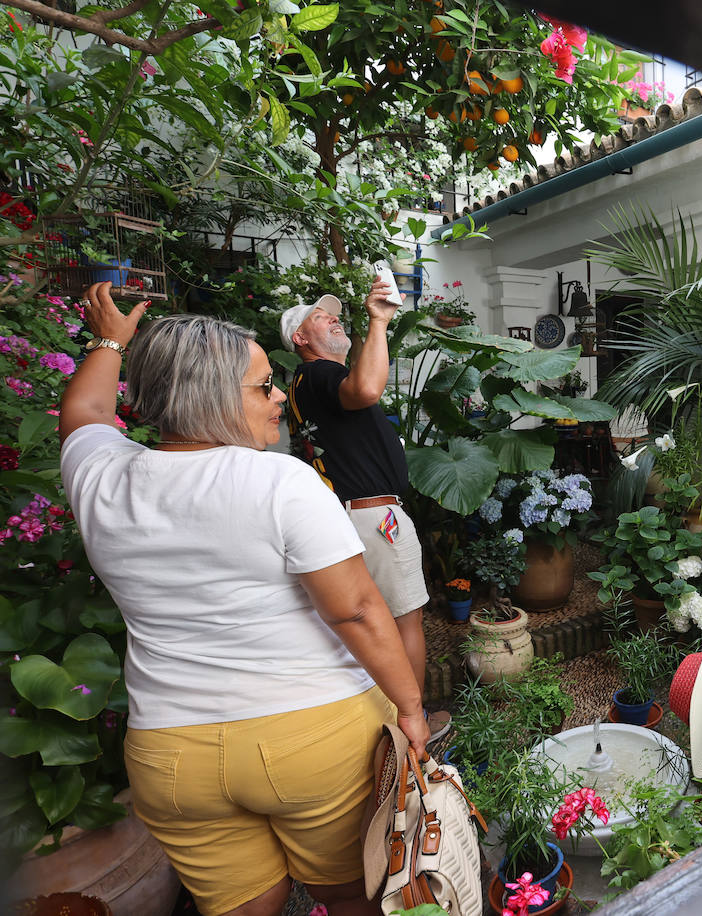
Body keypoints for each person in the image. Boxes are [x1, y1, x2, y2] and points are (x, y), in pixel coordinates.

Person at [59, 282, 428, 916]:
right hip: (312, 739)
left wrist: (109, 340)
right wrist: (413, 708)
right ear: (212, 398)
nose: (280, 395)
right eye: (262, 387)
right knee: (354, 895)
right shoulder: (280, 481)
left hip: (172, 757)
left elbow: (86, 413)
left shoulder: (101, 477)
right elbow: (357, 610)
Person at [281, 281, 450, 746]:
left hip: (351, 517)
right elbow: (369, 387)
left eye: (335, 315)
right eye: (320, 317)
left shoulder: (308, 388)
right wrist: (379, 320)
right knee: (405, 619)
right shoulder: (316, 376)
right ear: (300, 338)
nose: (334, 319)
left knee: (374, 624)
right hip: (377, 520)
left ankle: (383, 720)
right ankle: (411, 724)